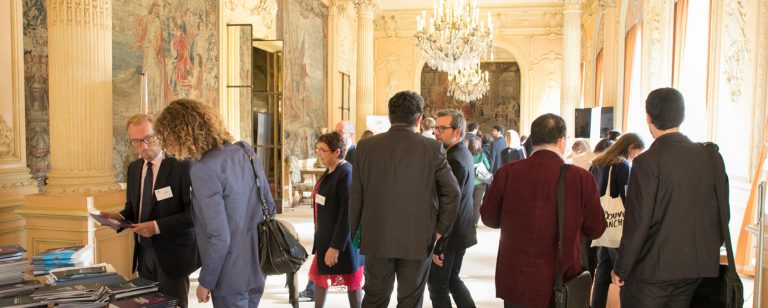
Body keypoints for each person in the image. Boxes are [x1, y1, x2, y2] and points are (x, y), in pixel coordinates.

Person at [155, 99, 276, 308]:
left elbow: (219, 236)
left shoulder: (203, 170)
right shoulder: (245, 150)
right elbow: (270, 207)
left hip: (229, 274)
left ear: (181, 134)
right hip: (259, 264)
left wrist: (205, 281)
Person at [611, 88, 726, 307]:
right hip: (694, 269)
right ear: (682, 115)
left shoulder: (646, 162)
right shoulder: (711, 157)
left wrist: (621, 267)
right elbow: (722, 214)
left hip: (651, 272)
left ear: (648, 118)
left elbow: (638, 222)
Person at [480, 113, 607, 307]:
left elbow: (489, 219)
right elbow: (596, 229)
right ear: (562, 141)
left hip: (516, 276)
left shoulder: (507, 172)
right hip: (561, 278)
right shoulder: (581, 178)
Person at [349, 90, 460, 308]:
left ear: (390, 116)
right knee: (410, 300)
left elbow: (356, 194)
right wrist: (440, 229)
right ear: (419, 119)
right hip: (418, 237)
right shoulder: (432, 148)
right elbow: (453, 192)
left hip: (376, 235)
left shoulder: (366, 146)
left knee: (374, 298)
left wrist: (357, 232)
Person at [101, 114, 199, 308]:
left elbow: (194, 214)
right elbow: (133, 208)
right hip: (143, 252)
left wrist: (156, 226)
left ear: (160, 135)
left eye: (148, 139)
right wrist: (119, 218)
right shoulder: (134, 168)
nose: (143, 147)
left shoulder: (182, 165)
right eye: (136, 142)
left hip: (173, 255)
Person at [301, 120, 358, 302]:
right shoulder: (329, 170)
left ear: (336, 152)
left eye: (322, 150)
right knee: (320, 279)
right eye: (317, 149)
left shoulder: (346, 172)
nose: (318, 154)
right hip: (326, 237)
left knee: (351, 283)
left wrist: (335, 246)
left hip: (341, 241)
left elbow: (347, 213)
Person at [588, 133, 645, 308]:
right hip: (618, 229)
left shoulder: (597, 164)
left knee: (602, 275)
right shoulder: (623, 165)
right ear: (630, 148)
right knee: (623, 276)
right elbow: (627, 198)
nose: (638, 156)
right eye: (638, 151)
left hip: (603, 226)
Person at [428, 109, 477, 308]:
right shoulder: (460, 152)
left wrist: (440, 243)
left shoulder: (454, 159)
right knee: (452, 281)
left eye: (441, 128)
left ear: (457, 132)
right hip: (459, 232)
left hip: (451, 236)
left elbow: (450, 204)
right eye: (435, 128)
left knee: (438, 287)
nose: (436, 132)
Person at [467, 134, 489, 226]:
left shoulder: (467, 154)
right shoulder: (482, 155)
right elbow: (488, 166)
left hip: (470, 182)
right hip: (480, 182)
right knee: (477, 203)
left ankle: (467, 220)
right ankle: (475, 222)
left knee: (469, 202)